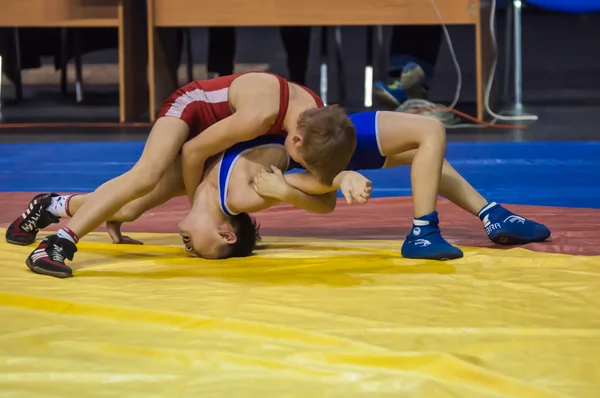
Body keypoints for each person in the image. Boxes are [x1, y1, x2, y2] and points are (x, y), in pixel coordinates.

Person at [21, 72, 357, 276]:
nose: (299, 165)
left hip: (219, 148)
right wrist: (198, 202)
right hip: (195, 112)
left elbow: (321, 188)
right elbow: (193, 150)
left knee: (128, 208)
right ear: (295, 139)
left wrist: (342, 178)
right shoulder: (261, 116)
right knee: (147, 174)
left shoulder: (316, 119)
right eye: (303, 160)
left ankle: (50, 206)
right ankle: (59, 244)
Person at [9, 135, 370, 278]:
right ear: (225, 232)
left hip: (195, 161)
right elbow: (316, 182)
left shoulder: (201, 191)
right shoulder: (247, 195)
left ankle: (50, 206)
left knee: (126, 209)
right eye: (202, 251)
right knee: (134, 192)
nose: (190, 252)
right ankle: (57, 225)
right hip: (236, 117)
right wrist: (345, 178)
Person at [277, 111, 551, 258]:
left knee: (424, 148)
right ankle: (422, 232)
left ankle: (492, 215)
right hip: (313, 149)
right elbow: (318, 195)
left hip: (327, 139)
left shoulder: (282, 119)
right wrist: (338, 177)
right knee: (430, 131)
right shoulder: (268, 150)